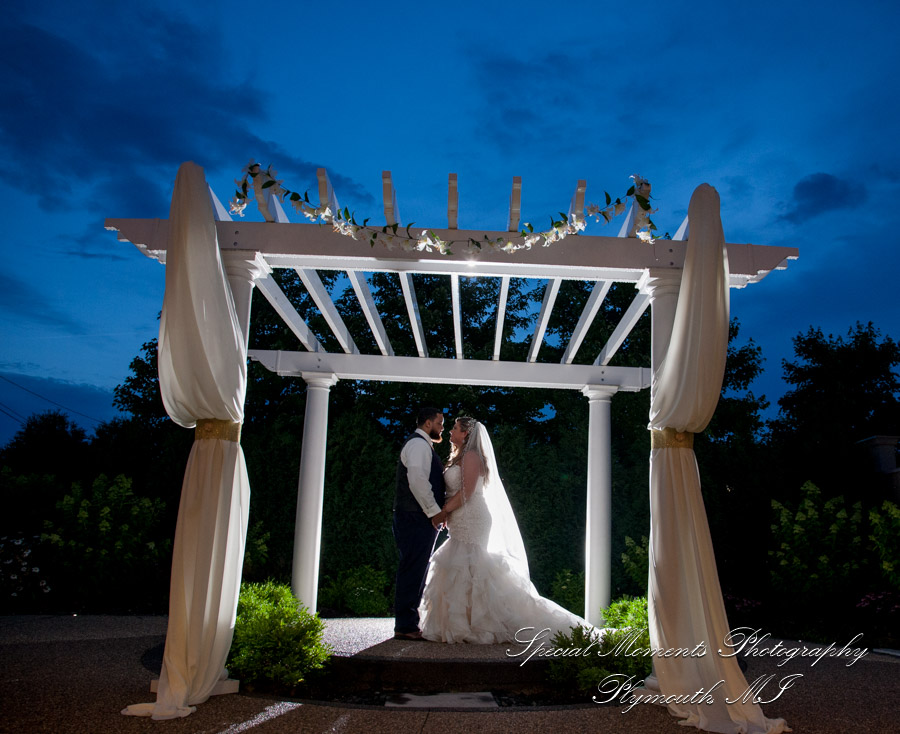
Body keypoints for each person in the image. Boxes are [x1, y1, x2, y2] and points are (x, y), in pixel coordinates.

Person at [419, 416, 588, 643]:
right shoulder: (460, 457)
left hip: (473, 517)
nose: (450, 431)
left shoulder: (471, 456)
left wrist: (444, 511)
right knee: (462, 566)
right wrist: (448, 512)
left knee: (470, 566)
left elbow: (467, 493)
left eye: (455, 428)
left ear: (466, 434)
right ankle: (464, 623)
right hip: (460, 517)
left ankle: (482, 624)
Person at [392, 407, 449, 640]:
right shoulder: (417, 445)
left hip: (417, 516)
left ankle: (409, 623)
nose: (442, 427)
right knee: (412, 569)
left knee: (416, 569)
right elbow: (417, 481)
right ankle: (405, 626)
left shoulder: (423, 445)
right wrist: (435, 512)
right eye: (440, 422)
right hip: (414, 517)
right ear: (427, 423)